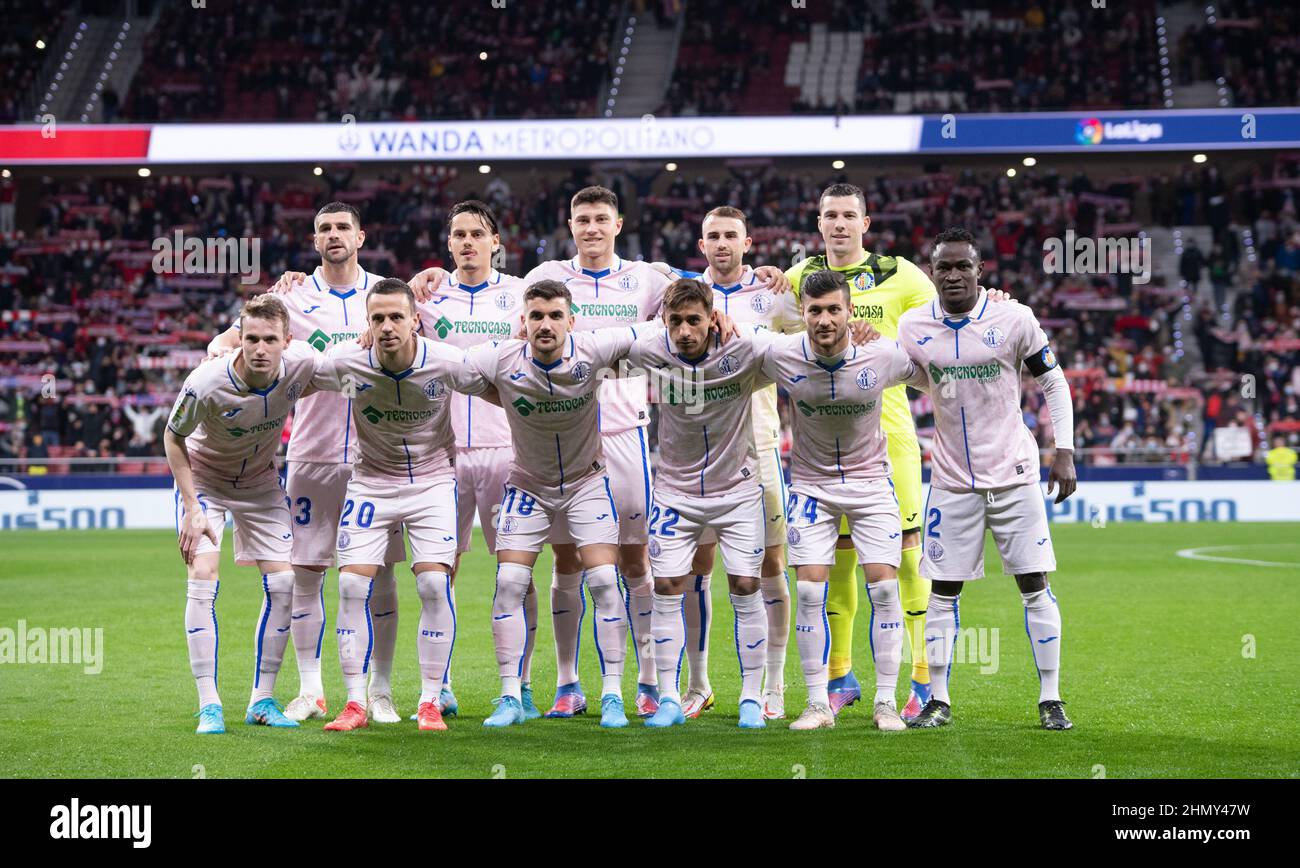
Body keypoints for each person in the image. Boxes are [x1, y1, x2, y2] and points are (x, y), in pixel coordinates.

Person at [207, 202, 406, 724]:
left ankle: (379, 691)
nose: (334, 235)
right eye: (324, 228)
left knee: (380, 577)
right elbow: (223, 342)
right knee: (306, 575)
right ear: (314, 239)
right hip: (312, 457)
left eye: (343, 227)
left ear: (361, 236)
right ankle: (311, 690)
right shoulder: (289, 295)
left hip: (376, 459)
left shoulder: (385, 294)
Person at [898, 228, 1077, 731]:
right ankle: (938, 700)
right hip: (952, 481)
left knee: (1035, 584)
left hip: (1016, 477)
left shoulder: (1014, 318)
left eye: (963, 266)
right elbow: (906, 374)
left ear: (980, 271)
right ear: (932, 272)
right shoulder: (913, 326)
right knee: (942, 592)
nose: (953, 275)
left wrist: (1063, 451)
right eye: (944, 267)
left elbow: (1053, 382)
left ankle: (1050, 697)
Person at [310, 279, 494, 732]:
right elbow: (286, 367)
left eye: (397, 317)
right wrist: (227, 340)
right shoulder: (347, 364)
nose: (388, 326)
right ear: (367, 325)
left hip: (432, 483)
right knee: (352, 588)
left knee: (434, 585)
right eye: (378, 318)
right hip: (370, 482)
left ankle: (430, 699)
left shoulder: (447, 362)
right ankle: (356, 702)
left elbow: (502, 386)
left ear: (416, 320)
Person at [761, 270, 928, 731]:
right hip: (811, 486)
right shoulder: (781, 353)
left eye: (834, 309)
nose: (824, 319)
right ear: (804, 316)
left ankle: (886, 702)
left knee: (885, 588)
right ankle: (817, 704)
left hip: (872, 484)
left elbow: (939, 379)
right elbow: (730, 355)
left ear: (850, 312)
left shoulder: (884, 354)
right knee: (812, 590)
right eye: (815, 310)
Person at [658, 206, 802, 720]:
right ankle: (698, 684)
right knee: (696, 568)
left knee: (768, 567)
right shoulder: (677, 295)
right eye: (713, 236)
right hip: (691, 455)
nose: (722, 244)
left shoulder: (773, 293)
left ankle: (774, 684)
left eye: (731, 236)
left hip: (758, 447)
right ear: (701, 244)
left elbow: (805, 346)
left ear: (748, 242)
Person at [165, 295, 324, 734]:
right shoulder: (207, 381)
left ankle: (262, 699)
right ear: (240, 337)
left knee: (285, 582)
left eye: (269, 340)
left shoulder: (301, 363)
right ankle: (209, 704)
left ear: (286, 341)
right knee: (203, 575)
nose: (258, 348)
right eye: (250, 338)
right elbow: (173, 437)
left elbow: (341, 367)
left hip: (259, 481)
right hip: (206, 480)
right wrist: (193, 508)